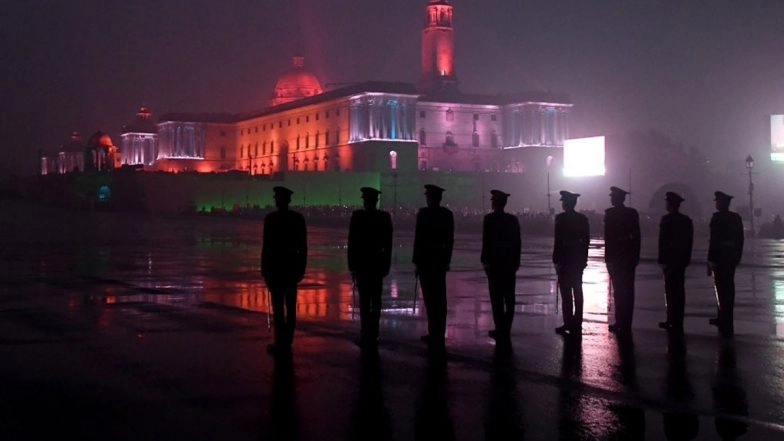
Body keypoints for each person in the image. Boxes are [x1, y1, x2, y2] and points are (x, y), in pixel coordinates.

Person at [261, 186, 307, 354]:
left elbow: (266, 247)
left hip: (276, 270)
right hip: (291, 269)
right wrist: (301, 268)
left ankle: (281, 342)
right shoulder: (297, 219)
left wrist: (265, 270)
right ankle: (287, 341)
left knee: (278, 308)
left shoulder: (270, 219)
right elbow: (303, 247)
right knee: (290, 307)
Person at [348, 187, 393, 348]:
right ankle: (374, 333)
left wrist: (352, 266)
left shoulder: (358, 217)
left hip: (362, 266)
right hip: (377, 265)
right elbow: (388, 244)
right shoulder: (384, 217)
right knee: (376, 301)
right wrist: (386, 265)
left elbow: (352, 243)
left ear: (365, 201)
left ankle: (366, 333)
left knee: (365, 303)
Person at [412, 184, 454, 348]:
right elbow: (449, 240)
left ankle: (433, 332)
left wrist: (416, 261)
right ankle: (439, 332)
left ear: (429, 198)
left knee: (430, 299)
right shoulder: (446, 214)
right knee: (440, 299)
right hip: (439, 262)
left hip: (426, 262)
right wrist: (446, 260)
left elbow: (419, 238)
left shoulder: (424, 214)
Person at [481, 189, 521, 343]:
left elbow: (487, 242)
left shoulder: (489, 219)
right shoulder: (512, 220)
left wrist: (485, 261)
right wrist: (516, 262)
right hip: (509, 264)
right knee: (509, 298)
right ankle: (506, 328)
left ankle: (500, 328)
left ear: (495, 203)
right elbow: (518, 243)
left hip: (495, 264)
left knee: (497, 298)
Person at [604, 186, 641, 336]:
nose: (611, 198)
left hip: (619, 257)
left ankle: (622, 322)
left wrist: (608, 259)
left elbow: (610, 239)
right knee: (625, 291)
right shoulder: (631, 213)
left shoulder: (611, 214)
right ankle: (624, 322)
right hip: (627, 257)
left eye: (613, 196)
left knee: (621, 290)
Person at [553, 190, 590, 336]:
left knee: (567, 293)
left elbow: (558, 242)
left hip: (565, 260)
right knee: (577, 291)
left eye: (563, 201)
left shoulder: (561, 219)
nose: (562, 204)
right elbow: (586, 241)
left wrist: (556, 260)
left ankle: (568, 322)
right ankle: (577, 322)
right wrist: (583, 259)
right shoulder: (582, 219)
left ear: (566, 203)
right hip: (576, 260)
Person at [708, 191, 744, 336]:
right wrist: (737, 257)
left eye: (717, 201)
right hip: (730, 258)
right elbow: (740, 240)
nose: (716, 203)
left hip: (719, 258)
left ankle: (723, 316)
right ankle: (725, 316)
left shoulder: (717, 218)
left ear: (721, 203)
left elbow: (714, 241)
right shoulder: (735, 218)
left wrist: (710, 259)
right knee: (728, 288)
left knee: (721, 288)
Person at [657, 191, 694, 333]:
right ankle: (678, 320)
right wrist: (686, 260)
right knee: (679, 292)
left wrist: (662, 260)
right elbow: (689, 242)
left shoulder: (666, 220)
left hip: (670, 261)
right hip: (680, 261)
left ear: (670, 204)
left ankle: (671, 319)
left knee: (670, 291)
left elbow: (663, 242)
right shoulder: (686, 220)